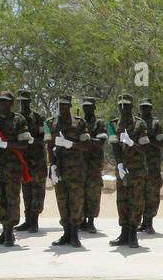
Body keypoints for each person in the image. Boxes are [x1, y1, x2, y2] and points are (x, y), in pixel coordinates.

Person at [0, 91, 33, 246]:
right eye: (0, 101)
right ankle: (4, 230)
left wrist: (6, 144)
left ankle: (10, 233)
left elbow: (25, 144)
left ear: (11, 103)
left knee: (12, 198)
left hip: (12, 167)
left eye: (6, 101)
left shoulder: (19, 119)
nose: (2, 103)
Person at [107, 93, 150, 248]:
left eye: (126, 105)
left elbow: (145, 148)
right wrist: (118, 164)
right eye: (120, 105)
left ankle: (133, 235)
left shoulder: (140, 124)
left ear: (132, 106)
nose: (123, 108)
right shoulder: (113, 124)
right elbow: (114, 146)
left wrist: (132, 143)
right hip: (122, 170)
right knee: (122, 202)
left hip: (137, 170)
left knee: (136, 202)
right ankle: (124, 233)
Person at [44, 94, 87, 248]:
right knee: (62, 201)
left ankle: (74, 234)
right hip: (59, 169)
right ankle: (66, 233)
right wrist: (52, 166)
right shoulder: (51, 123)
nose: (62, 108)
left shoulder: (80, 123)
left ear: (70, 105)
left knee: (76, 202)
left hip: (75, 170)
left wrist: (70, 144)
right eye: (60, 105)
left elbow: (85, 146)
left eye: (65, 105)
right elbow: (49, 146)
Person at [17, 91, 48, 232]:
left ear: (30, 101)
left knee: (38, 192)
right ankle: (27, 221)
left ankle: (34, 221)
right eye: (20, 101)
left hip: (38, 161)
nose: (22, 104)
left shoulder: (38, 118)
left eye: (25, 101)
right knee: (26, 191)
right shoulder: (16, 118)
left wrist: (33, 140)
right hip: (23, 161)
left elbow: (45, 139)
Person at [138, 98, 163, 234]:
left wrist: (148, 140)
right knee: (138, 194)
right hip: (137, 164)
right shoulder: (136, 123)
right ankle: (142, 222)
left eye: (147, 107)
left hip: (152, 165)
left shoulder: (156, 124)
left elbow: (161, 143)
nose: (145, 110)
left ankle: (149, 222)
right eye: (143, 107)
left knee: (152, 194)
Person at [79, 97, 107, 232]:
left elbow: (101, 142)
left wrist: (87, 140)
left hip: (94, 164)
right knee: (80, 193)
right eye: (85, 107)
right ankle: (81, 220)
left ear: (94, 108)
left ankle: (90, 221)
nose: (87, 109)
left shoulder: (99, 123)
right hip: (80, 163)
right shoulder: (79, 122)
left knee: (93, 193)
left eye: (89, 107)